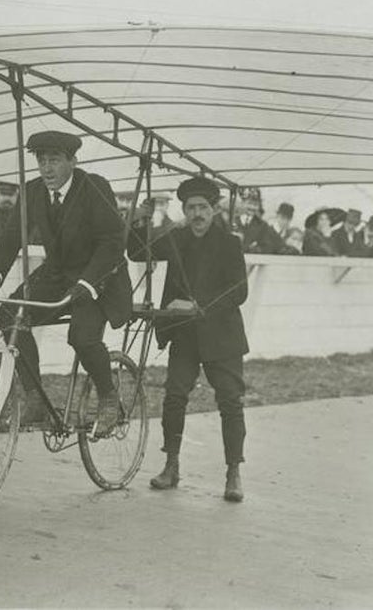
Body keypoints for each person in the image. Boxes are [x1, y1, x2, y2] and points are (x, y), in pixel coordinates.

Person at [0, 131, 132, 437]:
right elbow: (11, 237)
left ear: (73, 161)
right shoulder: (33, 190)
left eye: (55, 161)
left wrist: (88, 283)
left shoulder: (94, 186)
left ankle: (108, 396)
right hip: (58, 274)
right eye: (41, 160)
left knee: (83, 337)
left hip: (100, 276)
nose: (47, 169)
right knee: (10, 315)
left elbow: (112, 242)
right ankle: (35, 397)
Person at [126, 175, 249, 503]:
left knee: (230, 401)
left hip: (222, 336)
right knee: (174, 396)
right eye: (191, 207)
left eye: (203, 208)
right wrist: (140, 219)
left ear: (214, 210)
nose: (197, 214)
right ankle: (171, 465)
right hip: (184, 333)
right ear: (184, 209)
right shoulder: (176, 238)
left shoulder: (230, 243)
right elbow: (138, 253)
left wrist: (199, 306)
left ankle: (233, 472)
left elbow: (239, 291)